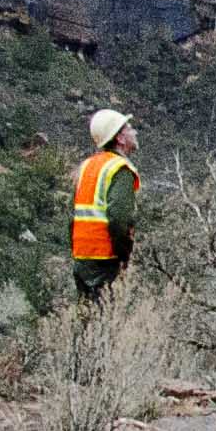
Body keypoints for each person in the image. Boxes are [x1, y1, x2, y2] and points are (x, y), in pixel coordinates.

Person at [68, 108, 141, 299]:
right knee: (107, 319)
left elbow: (72, 215)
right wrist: (125, 256)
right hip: (105, 259)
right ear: (120, 139)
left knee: (88, 321)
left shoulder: (86, 167)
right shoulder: (120, 169)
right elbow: (119, 219)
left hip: (82, 258)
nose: (135, 132)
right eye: (129, 128)